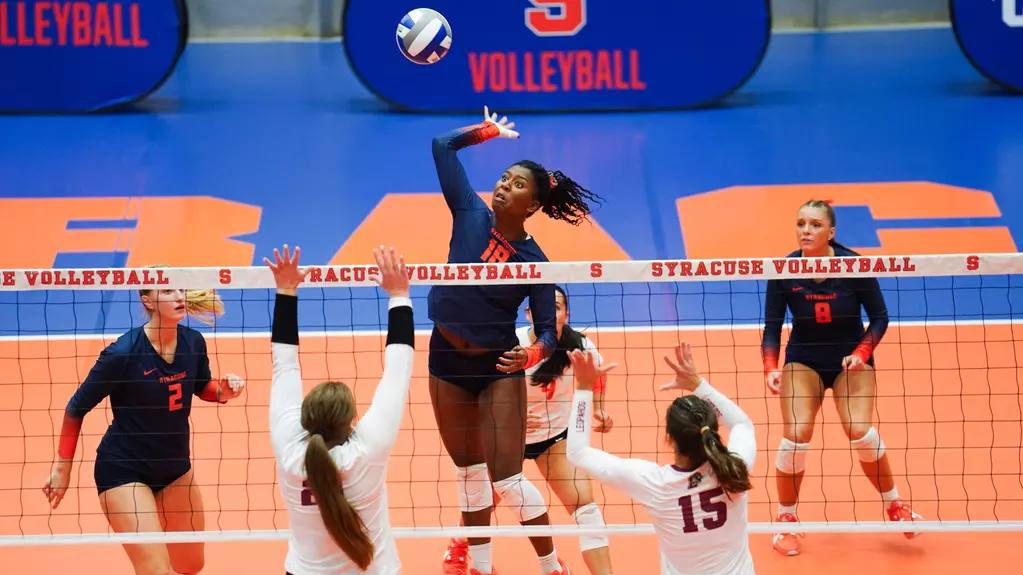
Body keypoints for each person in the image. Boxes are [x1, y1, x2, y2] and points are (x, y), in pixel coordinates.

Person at [429, 106, 602, 575]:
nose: (505, 184)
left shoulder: (535, 262)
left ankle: (551, 566)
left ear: (533, 205)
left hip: (496, 369)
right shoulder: (469, 211)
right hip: (445, 358)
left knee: (506, 478)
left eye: (518, 183)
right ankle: (482, 568)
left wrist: (531, 353)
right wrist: (488, 131)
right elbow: (442, 145)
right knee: (468, 475)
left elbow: (549, 332)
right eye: (504, 177)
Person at [43, 283, 245, 575]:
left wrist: (224, 392)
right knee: (155, 570)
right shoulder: (122, 354)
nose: (178, 297)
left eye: (180, 290)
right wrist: (63, 468)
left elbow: (202, 386)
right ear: (148, 301)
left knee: (191, 564)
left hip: (175, 468)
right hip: (124, 470)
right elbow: (75, 408)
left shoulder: (193, 342)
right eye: (167, 292)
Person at [762, 199, 923, 556]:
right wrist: (771, 367)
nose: (806, 231)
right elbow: (772, 327)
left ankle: (895, 506)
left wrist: (862, 353)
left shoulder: (855, 266)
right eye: (801, 223)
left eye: (815, 225)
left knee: (858, 430)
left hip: (850, 358)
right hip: (803, 360)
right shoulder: (783, 270)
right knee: (796, 435)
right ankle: (785, 520)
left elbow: (880, 318)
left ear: (830, 232)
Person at [443, 286, 616, 575]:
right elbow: (481, 392)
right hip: (509, 439)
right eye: (539, 307)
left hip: (555, 440)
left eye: (556, 307)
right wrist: (513, 420)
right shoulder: (512, 344)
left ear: (566, 314)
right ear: (528, 313)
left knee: (587, 510)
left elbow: (597, 377)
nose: (547, 312)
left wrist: (599, 407)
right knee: (482, 502)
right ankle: (458, 544)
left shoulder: (582, 348)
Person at [266, 244, 414, 575]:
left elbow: (284, 366)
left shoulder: (289, 449)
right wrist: (399, 294)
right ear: (352, 422)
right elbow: (398, 370)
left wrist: (286, 290)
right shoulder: (368, 449)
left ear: (304, 418)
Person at [566, 342, 757, 575]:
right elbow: (742, 424)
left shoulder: (656, 484)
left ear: (671, 439)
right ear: (712, 429)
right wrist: (699, 385)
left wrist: (584, 387)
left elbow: (578, 452)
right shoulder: (736, 468)